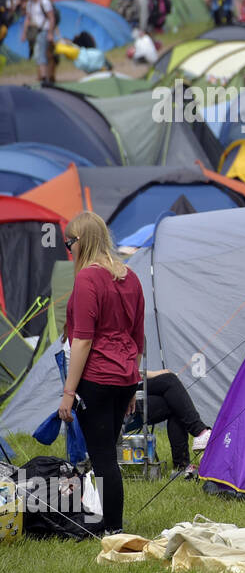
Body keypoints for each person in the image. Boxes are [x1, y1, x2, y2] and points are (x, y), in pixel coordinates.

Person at [58, 211, 146, 535]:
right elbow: (138, 338)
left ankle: (113, 531)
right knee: (106, 455)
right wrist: (132, 388)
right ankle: (108, 522)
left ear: (82, 242)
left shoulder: (87, 280)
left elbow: (82, 340)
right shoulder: (131, 278)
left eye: (70, 243)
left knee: (104, 457)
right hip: (124, 377)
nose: (69, 249)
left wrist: (68, 393)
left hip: (96, 378)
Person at [131, 370, 211, 476]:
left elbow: (133, 370)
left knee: (175, 398)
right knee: (171, 383)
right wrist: (161, 373)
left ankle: (181, 468)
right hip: (118, 402)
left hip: (130, 391)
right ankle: (199, 432)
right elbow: (128, 373)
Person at [23, 0, 57, 84]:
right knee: (39, 54)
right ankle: (44, 76)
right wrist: (24, 33)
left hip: (44, 30)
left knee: (43, 54)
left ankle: (44, 77)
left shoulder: (44, 2)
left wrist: (50, 33)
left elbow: (51, 17)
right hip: (34, 31)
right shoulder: (30, 3)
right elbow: (28, 18)